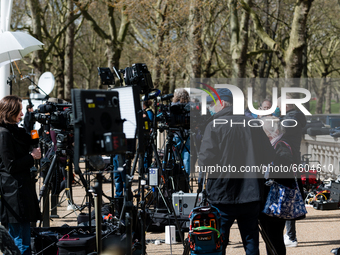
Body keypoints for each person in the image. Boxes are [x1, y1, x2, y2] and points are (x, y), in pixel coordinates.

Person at [198, 88, 275, 255]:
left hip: (222, 193)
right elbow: (269, 154)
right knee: (251, 240)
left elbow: (205, 161)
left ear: (223, 103)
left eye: (213, 103)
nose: (212, 107)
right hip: (251, 192)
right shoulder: (253, 124)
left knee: (218, 241)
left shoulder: (214, 125)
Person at [0, 95, 41, 255]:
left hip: (22, 190)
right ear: (10, 111)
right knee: (19, 243)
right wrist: (32, 157)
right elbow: (10, 165)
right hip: (12, 193)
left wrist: (36, 127)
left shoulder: (15, 131)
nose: (22, 114)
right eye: (19, 111)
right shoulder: (3, 134)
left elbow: (31, 140)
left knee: (25, 240)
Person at [260, 116, 295, 255]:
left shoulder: (281, 144)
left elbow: (284, 170)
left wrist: (266, 171)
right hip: (275, 197)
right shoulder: (276, 144)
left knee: (274, 236)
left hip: (277, 198)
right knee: (271, 236)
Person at [276, 96, 306, 248]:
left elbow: (280, 131)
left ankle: (291, 236)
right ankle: (289, 234)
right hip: (289, 161)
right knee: (288, 197)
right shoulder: (293, 117)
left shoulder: (292, 119)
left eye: (278, 104)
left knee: (288, 198)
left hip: (288, 162)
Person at [172, 88, 190, 176]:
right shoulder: (189, 106)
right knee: (186, 157)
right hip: (187, 134)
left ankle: (172, 175)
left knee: (173, 156)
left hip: (175, 134)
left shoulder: (173, 106)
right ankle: (186, 176)